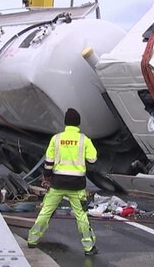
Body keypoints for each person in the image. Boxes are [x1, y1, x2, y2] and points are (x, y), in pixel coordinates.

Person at [27, 108, 98, 255]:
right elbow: (93, 159)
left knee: (46, 211)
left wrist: (46, 177)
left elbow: (48, 162)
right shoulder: (84, 140)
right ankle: (89, 247)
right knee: (81, 215)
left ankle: (32, 240)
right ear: (78, 124)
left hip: (57, 183)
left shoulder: (56, 139)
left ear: (65, 123)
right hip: (77, 185)